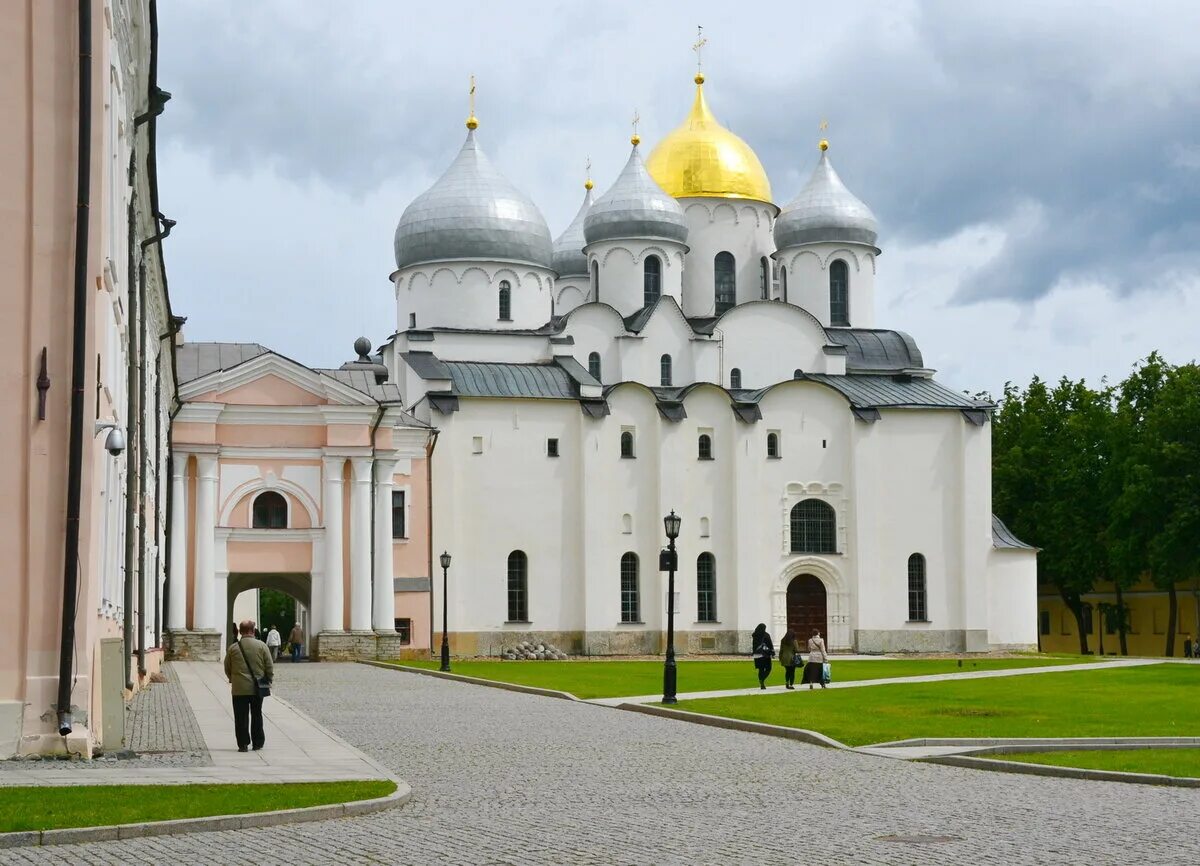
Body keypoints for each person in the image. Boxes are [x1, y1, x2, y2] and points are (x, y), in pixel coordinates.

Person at [223, 620, 273, 752]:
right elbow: (269, 666)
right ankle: (258, 743)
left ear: (240, 631)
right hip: (257, 687)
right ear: (253, 630)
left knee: (240, 717)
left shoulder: (233, 648)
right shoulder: (261, 646)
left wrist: (232, 678)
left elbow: (227, 667)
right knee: (257, 714)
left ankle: (243, 744)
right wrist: (269, 680)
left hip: (239, 688)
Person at [751, 623, 774, 690]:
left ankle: (762, 683)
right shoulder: (766, 635)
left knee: (761, 669)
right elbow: (770, 644)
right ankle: (762, 680)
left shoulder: (755, 635)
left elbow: (754, 645)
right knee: (768, 668)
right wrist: (772, 653)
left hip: (757, 655)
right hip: (765, 654)